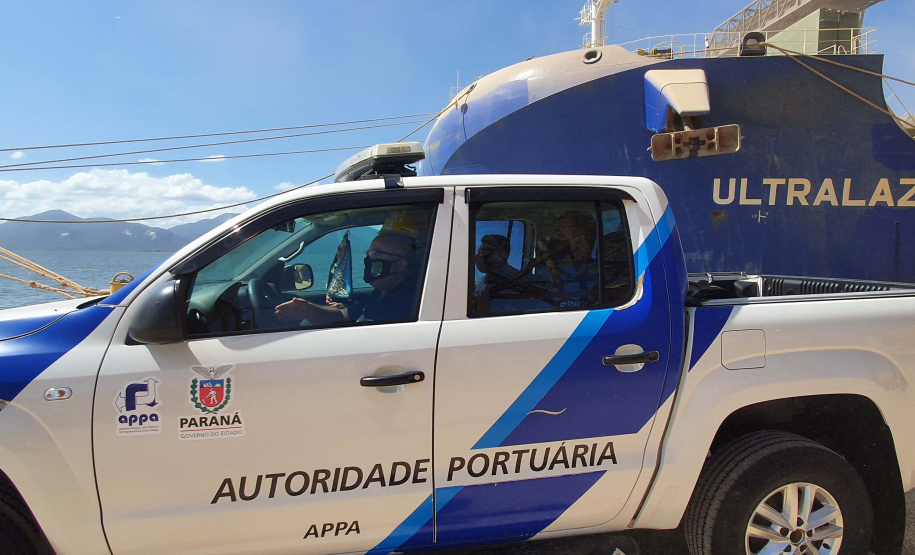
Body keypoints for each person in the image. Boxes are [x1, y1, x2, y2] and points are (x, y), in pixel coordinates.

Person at [275, 232, 421, 326]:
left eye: (376, 254)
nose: (368, 259)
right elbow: (345, 315)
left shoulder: (410, 303)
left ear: (400, 264)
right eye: (367, 254)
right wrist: (309, 310)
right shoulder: (380, 293)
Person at [541, 211, 599, 309]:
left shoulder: (595, 274)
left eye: (563, 228)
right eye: (555, 230)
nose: (556, 235)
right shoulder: (539, 269)